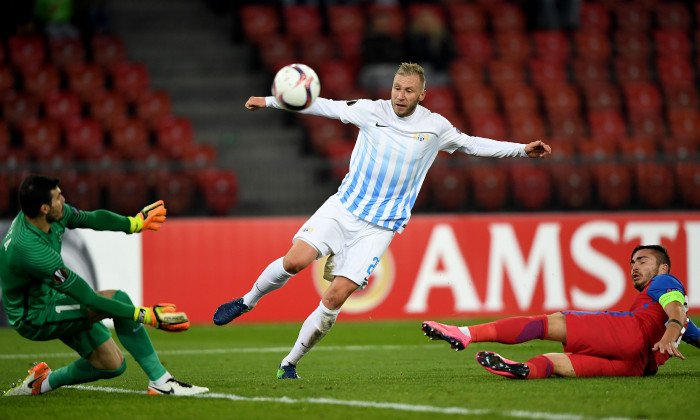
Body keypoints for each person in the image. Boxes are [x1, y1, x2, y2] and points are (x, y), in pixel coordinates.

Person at [213, 62, 552, 379]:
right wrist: (270, 101)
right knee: (294, 261)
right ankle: (247, 301)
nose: (400, 96)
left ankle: (290, 363)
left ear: (422, 95)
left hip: (379, 227)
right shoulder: (370, 110)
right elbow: (324, 105)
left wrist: (521, 149)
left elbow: (473, 145)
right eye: (396, 88)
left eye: (408, 91)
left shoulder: (435, 128)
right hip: (344, 208)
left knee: (334, 298)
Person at [1, 175, 208, 396]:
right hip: (34, 316)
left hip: (48, 297)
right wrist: (145, 316)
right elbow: (88, 299)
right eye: (58, 197)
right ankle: (161, 381)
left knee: (112, 364)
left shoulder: (47, 216)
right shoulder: (31, 250)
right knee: (117, 300)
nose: (63, 199)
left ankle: (42, 382)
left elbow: (90, 218)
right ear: (44, 208)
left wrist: (133, 223)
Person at [422, 245, 700, 379]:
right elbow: (691, 329)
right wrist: (673, 332)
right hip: (636, 368)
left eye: (643, 260)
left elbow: (676, 308)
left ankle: (465, 333)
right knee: (555, 362)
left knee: (550, 323)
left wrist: (669, 334)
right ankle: (525, 370)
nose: (634, 266)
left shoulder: (665, 281)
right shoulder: (668, 312)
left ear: (663, 268)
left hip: (631, 334)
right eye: (631, 262)